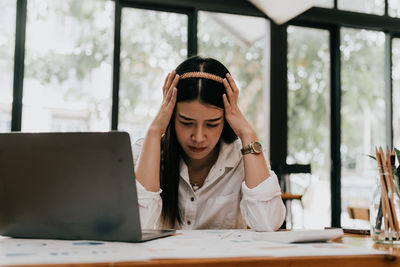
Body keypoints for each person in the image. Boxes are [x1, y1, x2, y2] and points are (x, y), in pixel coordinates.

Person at [133, 56, 285, 231]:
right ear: (171, 116)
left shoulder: (243, 156)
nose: (198, 137)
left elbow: (268, 224)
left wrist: (247, 133)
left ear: (226, 119)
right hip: (162, 259)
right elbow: (138, 227)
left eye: (212, 124)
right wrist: (154, 132)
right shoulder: (144, 152)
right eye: (186, 122)